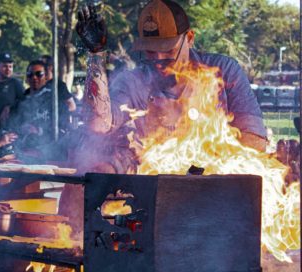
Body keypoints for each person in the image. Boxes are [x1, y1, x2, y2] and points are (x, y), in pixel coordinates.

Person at [74, 0, 267, 174]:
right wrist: (96, 55)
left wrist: (205, 164)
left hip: (216, 189)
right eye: (151, 51)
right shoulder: (134, 82)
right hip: (157, 187)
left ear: (189, 38)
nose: (158, 59)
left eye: (167, 49)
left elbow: (255, 141)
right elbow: (97, 125)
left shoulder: (223, 71)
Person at [9, 60, 72, 161]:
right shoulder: (22, 99)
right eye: (30, 74)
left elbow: (64, 126)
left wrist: (39, 130)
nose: (34, 77)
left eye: (39, 74)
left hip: (51, 151)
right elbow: (13, 125)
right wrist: (22, 129)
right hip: (25, 150)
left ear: (46, 77)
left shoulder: (54, 99)